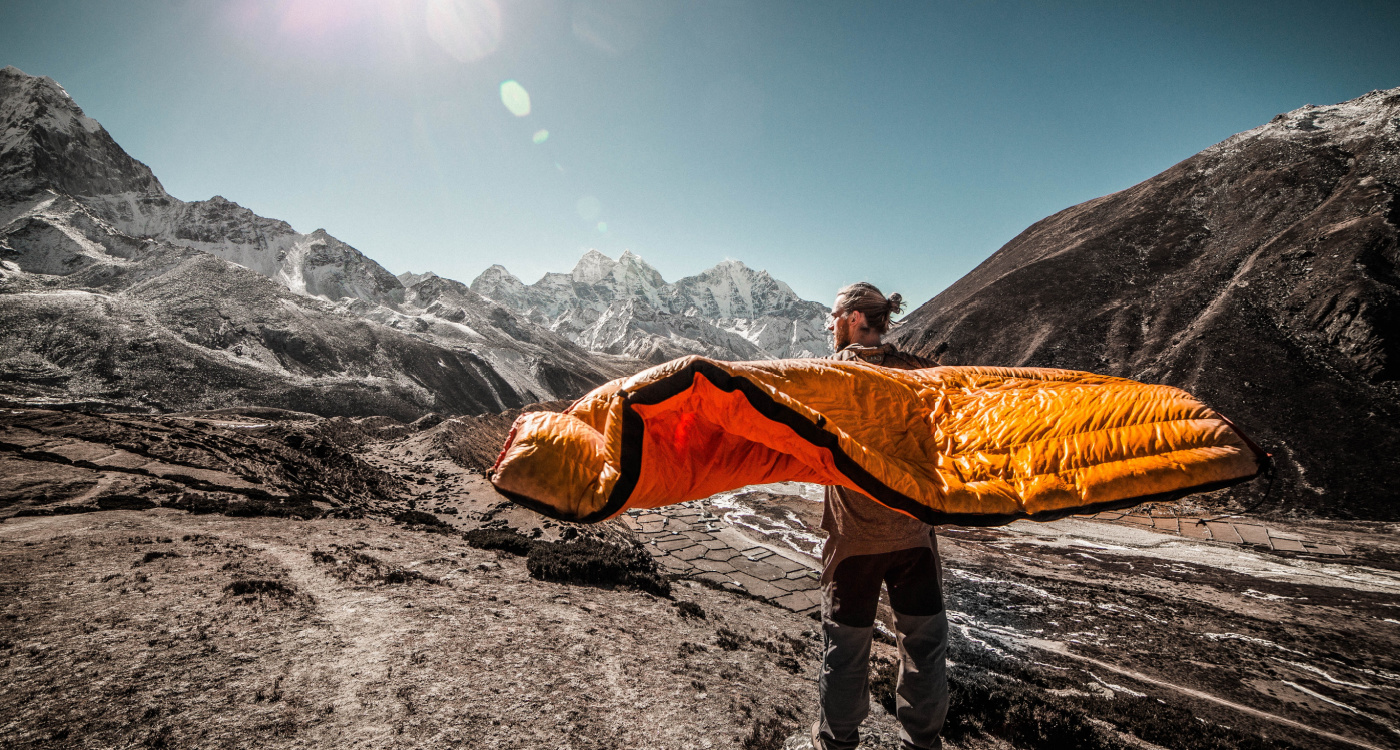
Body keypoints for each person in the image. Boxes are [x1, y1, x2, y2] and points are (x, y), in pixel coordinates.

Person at [811, 282, 946, 750]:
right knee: (924, 646)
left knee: (847, 651)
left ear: (850, 319)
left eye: (833, 319)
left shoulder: (828, 377)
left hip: (855, 543)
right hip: (914, 537)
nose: (830, 327)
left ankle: (838, 741)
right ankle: (923, 743)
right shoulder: (921, 374)